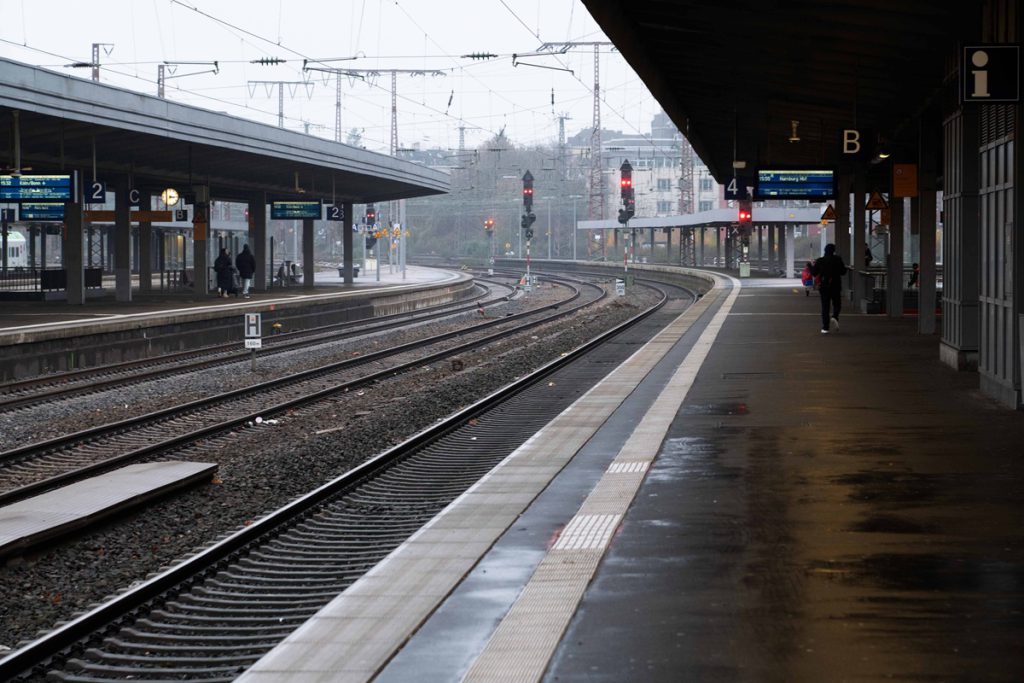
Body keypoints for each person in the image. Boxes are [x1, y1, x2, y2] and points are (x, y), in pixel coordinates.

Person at [811, 243, 848, 334]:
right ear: (833, 251)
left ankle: (825, 327)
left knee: (825, 307)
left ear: (825, 250)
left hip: (824, 286)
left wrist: (810, 266)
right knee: (837, 303)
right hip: (836, 285)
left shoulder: (820, 260)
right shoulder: (838, 259)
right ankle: (835, 316)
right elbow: (843, 272)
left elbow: (814, 273)